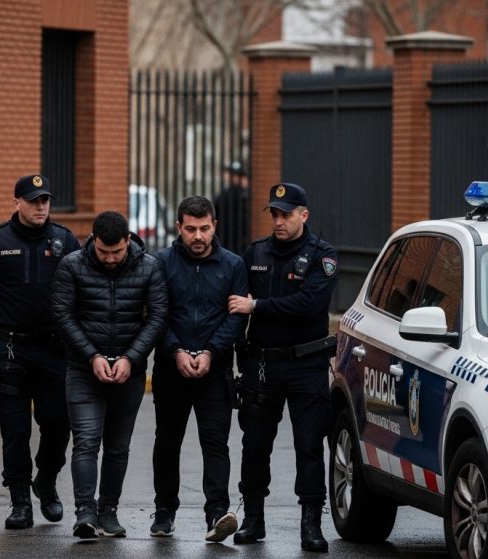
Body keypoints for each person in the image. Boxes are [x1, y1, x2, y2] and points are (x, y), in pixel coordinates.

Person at [0, 174, 80, 530]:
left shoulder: (65, 240)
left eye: (45, 201)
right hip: (10, 349)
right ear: (17, 203)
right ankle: (21, 500)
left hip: (55, 349)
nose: (41, 207)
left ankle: (47, 481)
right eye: (33, 201)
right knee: (14, 428)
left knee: (57, 424)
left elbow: (83, 291)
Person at [226, 182, 339, 553]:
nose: (279, 220)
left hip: (306, 364)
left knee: (309, 446)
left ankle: (310, 524)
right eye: (274, 213)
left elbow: (308, 304)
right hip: (261, 364)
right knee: (255, 445)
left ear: (303, 215)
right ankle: (253, 519)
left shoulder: (323, 256)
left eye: (286, 214)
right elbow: (233, 305)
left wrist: (256, 306)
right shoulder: (255, 252)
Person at [51, 210, 168, 539]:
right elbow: (62, 315)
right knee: (86, 443)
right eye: (104, 252)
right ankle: (85, 513)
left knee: (118, 447)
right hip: (83, 369)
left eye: (117, 252)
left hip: (129, 372)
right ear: (93, 241)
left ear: (128, 241)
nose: (111, 259)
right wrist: (92, 356)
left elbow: (157, 317)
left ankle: (109, 511)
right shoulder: (72, 265)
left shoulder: (150, 267)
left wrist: (131, 358)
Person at [150, 196, 248, 542]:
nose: (198, 236)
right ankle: (164, 512)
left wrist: (210, 351)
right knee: (167, 442)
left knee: (215, 443)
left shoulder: (233, 265)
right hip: (170, 369)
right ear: (179, 227)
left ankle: (217, 514)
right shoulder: (161, 262)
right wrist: (175, 350)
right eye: (190, 229)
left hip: (215, 370)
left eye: (204, 228)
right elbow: (155, 315)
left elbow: (236, 318)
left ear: (214, 226)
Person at [213, 161, 249, 254]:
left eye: (238, 176)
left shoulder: (243, 195)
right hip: (229, 241)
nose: (235, 179)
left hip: (234, 241)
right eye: (234, 176)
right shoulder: (242, 195)